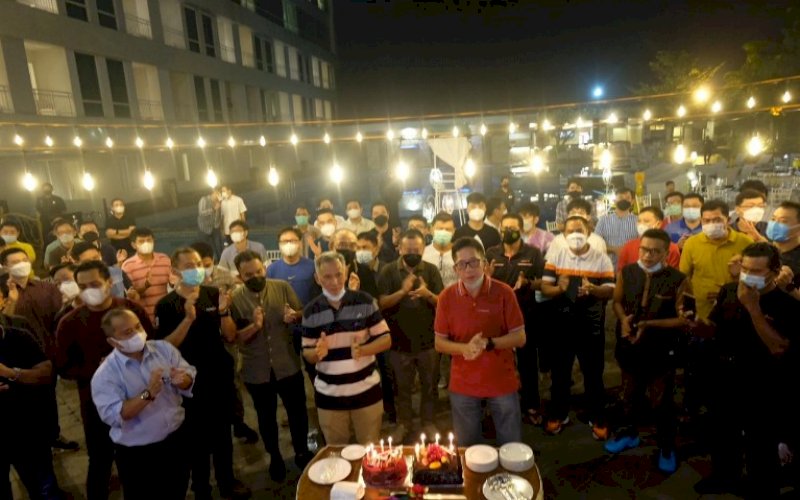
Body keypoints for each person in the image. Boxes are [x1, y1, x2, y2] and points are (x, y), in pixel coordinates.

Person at [693, 243, 796, 496]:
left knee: (760, 442)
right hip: (726, 376)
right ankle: (724, 476)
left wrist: (753, 308)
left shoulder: (786, 304)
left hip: (764, 381)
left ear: (774, 270)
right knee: (722, 433)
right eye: (745, 268)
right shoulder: (730, 290)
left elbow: (779, 347)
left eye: (756, 270)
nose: (748, 275)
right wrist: (699, 326)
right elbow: (717, 327)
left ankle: (761, 485)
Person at [154, 248, 249, 500]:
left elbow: (229, 335)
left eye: (197, 263)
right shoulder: (166, 305)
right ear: (175, 271)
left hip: (218, 375)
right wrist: (187, 319)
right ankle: (201, 488)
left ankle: (227, 482)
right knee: (195, 439)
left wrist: (223, 312)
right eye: (188, 265)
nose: (196, 268)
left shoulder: (213, 294)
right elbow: (166, 347)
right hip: (188, 382)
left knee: (222, 435)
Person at [55, 260, 153, 500]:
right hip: (97, 404)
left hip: (138, 399)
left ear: (109, 283)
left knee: (136, 461)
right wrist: (97, 371)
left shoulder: (131, 311)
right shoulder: (69, 323)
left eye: (95, 284)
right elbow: (63, 367)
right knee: (100, 460)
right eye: (83, 285)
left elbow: (153, 345)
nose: (90, 289)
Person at [221, 250, 312, 481]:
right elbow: (232, 337)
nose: (255, 277)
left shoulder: (281, 287)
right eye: (248, 274)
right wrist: (255, 325)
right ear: (240, 276)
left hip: (287, 364)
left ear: (264, 267)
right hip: (256, 370)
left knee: (297, 412)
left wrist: (295, 315)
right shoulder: (235, 298)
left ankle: (301, 451)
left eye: (258, 271)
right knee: (266, 417)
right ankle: (275, 457)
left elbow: (301, 312)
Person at [606, 229, 689, 474]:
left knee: (661, 401)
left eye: (655, 251)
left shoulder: (678, 278)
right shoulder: (627, 272)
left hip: (662, 350)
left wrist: (649, 325)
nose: (648, 255)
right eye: (644, 249)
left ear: (666, 253)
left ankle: (666, 446)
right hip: (630, 346)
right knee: (629, 395)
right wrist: (622, 320)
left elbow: (683, 320)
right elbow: (617, 302)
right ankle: (629, 433)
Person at [91, 308, 195, 499]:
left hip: (176, 441)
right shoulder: (106, 374)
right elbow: (117, 415)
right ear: (113, 341)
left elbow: (188, 375)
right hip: (139, 455)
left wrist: (184, 379)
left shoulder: (163, 349)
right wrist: (149, 393)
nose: (137, 334)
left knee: (177, 491)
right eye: (128, 332)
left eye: (137, 326)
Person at [434, 237, 526, 446]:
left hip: (501, 379)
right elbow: (440, 343)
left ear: (484, 263)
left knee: (510, 443)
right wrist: (465, 348)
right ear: (456, 268)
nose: (469, 269)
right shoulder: (446, 297)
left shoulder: (504, 292)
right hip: (463, 382)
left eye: (474, 262)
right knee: (467, 447)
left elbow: (520, 338)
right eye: (462, 264)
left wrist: (488, 343)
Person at [301, 251, 392, 445]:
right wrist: (317, 352)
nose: (334, 281)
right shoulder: (311, 310)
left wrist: (364, 350)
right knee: (335, 451)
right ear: (317, 279)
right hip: (329, 396)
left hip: (366, 391)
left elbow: (385, 339)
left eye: (338, 274)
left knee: (369, 450)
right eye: (327, 276)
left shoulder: (365, 301)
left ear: (346, 272)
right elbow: (307, 353)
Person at [541, 216, 615, 439]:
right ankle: (558, 414)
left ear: (589, 230)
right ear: (563, 233)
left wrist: (593, 289)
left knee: (593, 371)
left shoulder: (601, 258)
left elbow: (610, 290)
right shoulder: (556, 256)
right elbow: (545, 288)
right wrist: (560, 288)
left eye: (579, 230)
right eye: (570, 230)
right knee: (560, 372)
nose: (575, 234)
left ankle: (597, 416)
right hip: (562, 321)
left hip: (591, 320)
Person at [0, 248, 76, 451]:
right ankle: (32, 443)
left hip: (46, 353)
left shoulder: (46, 288)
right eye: (15, 262)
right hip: (15, 359)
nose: (21, 264)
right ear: (6, 267)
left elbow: (58, 319)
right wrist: (12, 301)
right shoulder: (4, 292)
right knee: (24, 403)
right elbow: (5, 323)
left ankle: (53, 435)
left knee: (48, 398)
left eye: (24, 259)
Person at [377, 229, 444, 442]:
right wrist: (402, 291)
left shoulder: (431, 271)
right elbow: (382, 303)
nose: (412, 253)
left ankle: (428, 422)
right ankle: (403, 424)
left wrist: (427, 294)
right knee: (402, 389)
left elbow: (443, 303)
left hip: (428, 342)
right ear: (400, 248)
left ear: (423, 249)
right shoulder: (388, 271)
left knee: (429, 387)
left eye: (417, 249)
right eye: (408, 249)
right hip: (398, 343)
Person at [189, 241, 258, 443]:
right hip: (201, 343)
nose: (202, 267)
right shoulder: (190, 284)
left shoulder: (222, 276)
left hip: (226, 339)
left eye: (206, 262)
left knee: (232, 384)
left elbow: (239, 290)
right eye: (198, 263)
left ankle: (238, 422)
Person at [485, 214, 545, 426]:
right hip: (497, 318)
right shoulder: (492, 253)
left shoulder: (533, 253)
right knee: (497, 362)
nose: (508, 231)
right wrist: (487, 276)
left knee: (528, 362)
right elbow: (484, 284)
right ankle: (499, 405)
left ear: (520, 230)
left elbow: (542, 282)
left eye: (512, 227)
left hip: (525, 315)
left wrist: (527, 282)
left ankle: (531, 404)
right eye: (504, 228)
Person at [0, 308, 64, 500]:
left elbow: (45, 373)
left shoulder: (18, 337)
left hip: (27, 429)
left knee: (43, 488)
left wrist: (11, 373)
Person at [679, 199, 754, 321]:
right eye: (706, 221)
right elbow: (684, 277)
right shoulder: (691, 244)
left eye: (717, 220)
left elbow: (755, 276)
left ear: (728, 220)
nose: (711, 224)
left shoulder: (746, 242)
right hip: (702, 311)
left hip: (736, 308)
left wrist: (727, 292)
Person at [120, 227, 171, 322]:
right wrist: (145, 286)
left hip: (166, 315)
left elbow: (173, 285)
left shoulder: (165, 259)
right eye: (141, 241)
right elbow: (130, 295)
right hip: (143, 318)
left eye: (149, 240)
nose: (146, 243)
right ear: (133, 245)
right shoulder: (127, 266)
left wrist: (173, 282)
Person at [617, 206, 681, 271]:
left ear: (658, 224)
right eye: (639, 221)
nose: (641, 225)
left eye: (646, 221)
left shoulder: (671, 248)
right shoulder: (629, 246)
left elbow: (674, 276)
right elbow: (621, 271)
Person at [267, 227, 319, 306]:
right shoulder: (272, 269)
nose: (289, 244)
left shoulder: (313, 267)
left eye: (292, 241)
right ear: (279, 245)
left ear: (300, 243)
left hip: (308, 315)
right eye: (284, 241)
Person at [595, 187, 638, 267]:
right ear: (614, 201)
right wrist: (614, 249)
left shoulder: (638, 221)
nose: (624, 200)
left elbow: (642, 243)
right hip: (607, 266)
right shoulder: (603, 220)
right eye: (621, 197)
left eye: (627, 198)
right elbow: (596, 243)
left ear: (632, 202)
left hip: (632, 266)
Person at [331, 228, 380, 298]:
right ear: (331, 247)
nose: (347, 248)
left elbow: (373, 302)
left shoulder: (364, 270)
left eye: (352, 245)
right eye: (342, 245)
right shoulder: (321, 271)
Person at [767, 201, 800, 300]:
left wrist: (789, 286)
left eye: (783, 221)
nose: (775, 224)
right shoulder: (763, 250)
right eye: (773, 219)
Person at [423, 212, 458, 288]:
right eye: (440, 229)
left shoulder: (461, 253)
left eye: (448, 229)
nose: (443, 232)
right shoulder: (423, 253)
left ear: (454, 231)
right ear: (431, 229)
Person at [197, 188, 223, 261]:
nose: (219, 196)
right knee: (205, 246)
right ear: (214, 193)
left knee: (218, 245)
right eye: (218, 194)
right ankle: (207, 261)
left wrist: (219, 225)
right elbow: (201, 212)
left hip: (215, 227)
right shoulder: (204, 199)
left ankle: (220, 261)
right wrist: (214, 209)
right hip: (204, 228)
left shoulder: (219, 202)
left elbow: (220, 215)